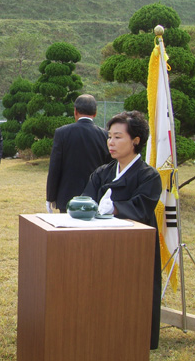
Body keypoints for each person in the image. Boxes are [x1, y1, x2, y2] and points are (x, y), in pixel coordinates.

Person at [81, 110, 162, 350]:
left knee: (133, 296)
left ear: (136, 140)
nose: (111, 142)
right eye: (109, 137)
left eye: (118, 137)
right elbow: (86, 199)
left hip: (134, 251)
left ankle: (135, 336)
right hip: (101, 245)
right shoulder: (103, 172)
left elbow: (142, 207)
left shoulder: (148, 176)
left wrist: (115, 208)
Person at [46, 94, 111, 213]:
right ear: (95, 113)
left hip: (67, 197)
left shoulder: (62, 133)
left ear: (75, 111)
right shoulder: (105, 136)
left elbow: (55, 167)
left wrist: (50, 197)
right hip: (95, 197)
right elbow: (109, 168)